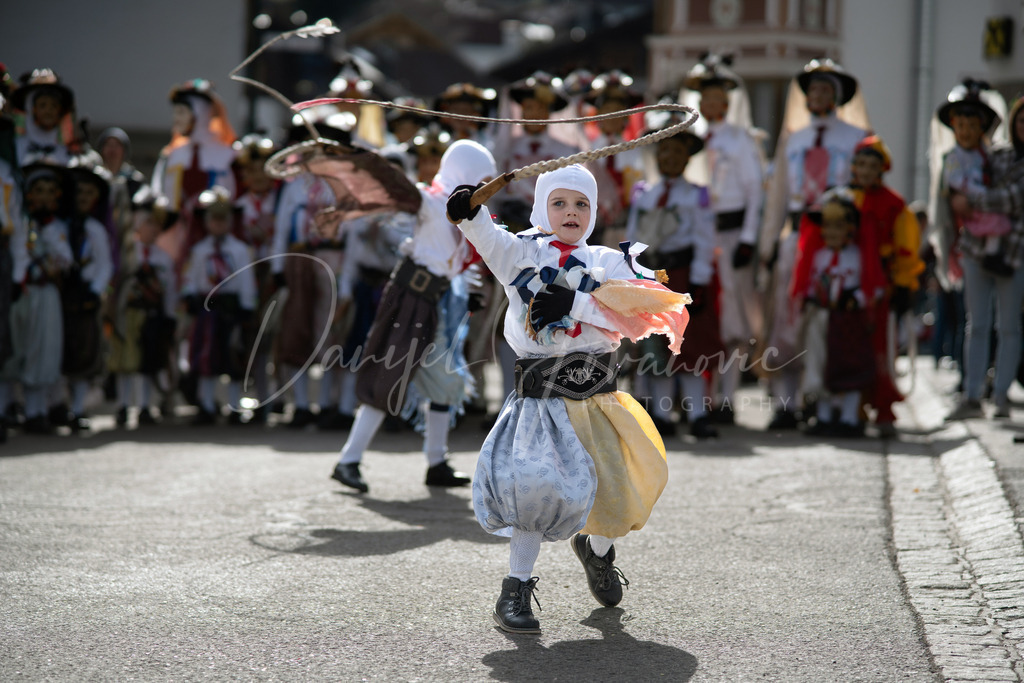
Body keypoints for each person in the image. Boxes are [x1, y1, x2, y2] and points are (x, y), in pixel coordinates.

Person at [447, 164, 686, 634]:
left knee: (611, 492)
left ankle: (596, 553)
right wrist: (467, 212)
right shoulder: (519, 253)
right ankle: (515, 588)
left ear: (594, 212)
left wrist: (575, 304)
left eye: (581, 204)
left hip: (598, 399)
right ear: (540, 208)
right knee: (534, 491)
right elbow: (485, 236)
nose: (570, 212)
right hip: (540, 402)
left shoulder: (610, 262)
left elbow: (648, 307)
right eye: (559, 202)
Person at [330, 139, 496, 493]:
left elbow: (452, 262)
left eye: (486, 183)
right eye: (480, 181)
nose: (484, 190)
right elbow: (394, 190)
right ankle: (348, 460)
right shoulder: (429, 200)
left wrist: (464, 291)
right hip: (409, 298)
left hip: (438, 302)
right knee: (387, 376)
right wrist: (356, 158)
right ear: (462, 174)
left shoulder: (471, 217)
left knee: (445, 382)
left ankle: (436, 461)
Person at [758, 59, 869, 430]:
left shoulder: (856, 138)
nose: (818, 95)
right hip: (798, 235)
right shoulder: (795, 138)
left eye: (826, 88)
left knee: (830, 320)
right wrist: (769, 241)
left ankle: (827, 400)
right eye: (813, 89)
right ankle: (786, 402)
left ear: (838, 95)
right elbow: (777, 197)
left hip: (837, 238)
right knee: (788, 318)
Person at [626, 121, 721, 439]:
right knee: (657, 346)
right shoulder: (644, 195)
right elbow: (632, 238)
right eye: (664, 149)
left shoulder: (697, 196)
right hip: (654, 277)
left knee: (690, 349)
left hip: (684, 275)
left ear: (687, 158)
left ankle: (697, 414)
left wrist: (700, 280)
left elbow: (705, 238)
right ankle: (662, 414)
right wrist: (632, 275)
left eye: (677, 151)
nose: (670, 157)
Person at [682, 55, 764, 424]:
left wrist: (748, 237)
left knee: (730, 318)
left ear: (728, 103)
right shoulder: (689, 138)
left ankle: (726, 399)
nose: (712, 105)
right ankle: (695, 397)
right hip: (697, 235)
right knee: (696, 311)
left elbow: (754, 190)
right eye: (705, 98)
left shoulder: (740, 140)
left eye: (718, 98)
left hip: (730, 236)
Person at [939, 89, 1024, 420]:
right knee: (977, 323)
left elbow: (1011, 199)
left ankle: (1000, 394)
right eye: (1021, 120)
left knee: (1009, 326)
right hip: (976, 249)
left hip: (1015, 253)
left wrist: (971, 199)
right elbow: (961, 184)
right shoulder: (996, 155)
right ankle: (972, 394)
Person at [847, 136, 924, 436]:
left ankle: (883, 409)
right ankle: (851, 409)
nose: (866, 170)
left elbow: (907, 246)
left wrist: (904, 285)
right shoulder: (841, 199)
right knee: (847, 346)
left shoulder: (894, 204)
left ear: (882, 169)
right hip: (847, 285)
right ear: (853, 166)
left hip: (882, 287)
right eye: (861, 164)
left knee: (880, 348)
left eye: (872, 165)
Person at [795, 190, 883, 437]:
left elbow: (873, 286)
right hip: (821, 319)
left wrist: (855, 298)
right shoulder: (817, 256)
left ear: (851, 228)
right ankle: (823, 417)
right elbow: (809, 283)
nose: (832, 232)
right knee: (820, 365)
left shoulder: (858, 256)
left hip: (849, 321)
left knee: (850, 366)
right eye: (827, 226)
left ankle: (848, 417)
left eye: (839, 226)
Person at [180, 187, 257, 425]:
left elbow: (246, 279)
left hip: (232, 308)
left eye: (224, 219)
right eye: (214, 219)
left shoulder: (240, 250)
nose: (219, 224)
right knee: (206, 357)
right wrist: (190, 296)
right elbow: (190, 277)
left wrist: (247, 305)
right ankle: (206, 404)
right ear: (206, 222)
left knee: (233, 358)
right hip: (208, 308)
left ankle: (234, 406)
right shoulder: (200, 250)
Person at [107, 187, 177, 426]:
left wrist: (169, 316)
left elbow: (170, 290)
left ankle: (146, 406)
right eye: (149, 222)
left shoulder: (163, 258)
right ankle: (123, 405)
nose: (154, 228)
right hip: (128, 313)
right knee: (125, 360)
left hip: (152, 314)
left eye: (158, 224)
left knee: (150, 361)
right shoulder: (126, 254)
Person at [151, 79, 237, 270]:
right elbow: (162, 196)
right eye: (175, 112)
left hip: (213, 237)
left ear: (200, 113)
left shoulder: (227, 155)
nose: (175, 119)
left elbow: (232, 198)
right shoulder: (172, 155)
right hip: (176, 236)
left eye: (181, 112)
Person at [14, 164, 73, 434]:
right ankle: (11, 407)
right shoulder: (19, 222)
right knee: (18, 348)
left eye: (51, 192)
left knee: (44, 349)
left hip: (46, 292)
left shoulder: (56, 228)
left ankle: (38, 410)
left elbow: (66, 260)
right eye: (39, 191)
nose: (44, 197)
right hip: (22, 292)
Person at [55, 161, 114, 431]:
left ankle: (77, 408)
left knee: (83, 353)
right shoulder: (58, 227)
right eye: (78, 193)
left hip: (85, 298)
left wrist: (95, 289)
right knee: (58, 350)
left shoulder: (96, 230)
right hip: (61, 295)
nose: (82, 200)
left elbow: (105, 264)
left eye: (88, 194)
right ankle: (54, 405)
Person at [496, 72, 580, 232]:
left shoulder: (566, 151)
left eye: (541, 108)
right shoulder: (507, 149)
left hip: (553, 224)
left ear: (550, 112)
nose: (534, 114)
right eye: (529, 108)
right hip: (513, 223)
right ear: (520, 111)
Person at [11, 69, 78, 168]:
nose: (48, 111)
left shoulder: (69, 153)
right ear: (32, 109)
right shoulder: (14, 149)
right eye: (42, 105)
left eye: (54, 106)